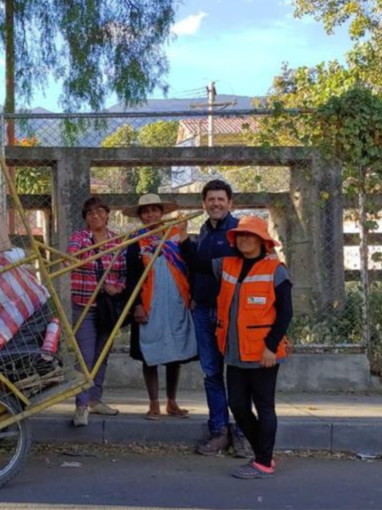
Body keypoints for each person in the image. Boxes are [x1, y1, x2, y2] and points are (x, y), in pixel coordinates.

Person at [212, 216, 293, 479]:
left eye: (250, 235)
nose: (245, 239)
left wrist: (271, 347)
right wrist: (180, 238)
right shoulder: (228, 265)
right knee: (237, 405)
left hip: (263, 354)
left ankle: (263, 461)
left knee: (264, 406)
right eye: (241, 235)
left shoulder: (275, 270)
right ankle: (264, 453)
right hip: (234, 352)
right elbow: (197, 264)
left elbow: (285, 314)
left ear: (262, 241)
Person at [180, 179, 252, 457]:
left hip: (231, 313)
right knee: (211, 373)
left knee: (237, 373)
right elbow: (197, 269)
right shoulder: (204, 232)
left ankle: (243, 433)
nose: (216, 204)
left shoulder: (239, 231)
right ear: (204, 204)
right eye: (211, 199)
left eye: (221, 199)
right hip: (203, 311)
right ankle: (219, 430)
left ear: (230, 203)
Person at [124, 194, 197, 421]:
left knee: (174, 354)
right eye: (145, 212)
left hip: (176, 301)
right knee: (150, 353)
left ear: (161, 212)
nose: (150, 215)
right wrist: (136, 304)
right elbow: (132, 276)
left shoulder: (176, 235)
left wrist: (193, 295)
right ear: (140, 216)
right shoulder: (136, 240)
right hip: (149, 303)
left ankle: (172, 402)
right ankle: (153, 403)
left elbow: (191, 264)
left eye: (154, 210)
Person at [67, 196, 126, 427]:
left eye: (100, 211)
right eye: (90, 213)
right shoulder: (80, 238)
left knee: (102, 355)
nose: (96, 216)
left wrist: (118, 286)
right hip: (84, 304)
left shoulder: (117, 241)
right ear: (86, 218)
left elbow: (123, 272)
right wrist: (85, 254)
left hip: (107, 307)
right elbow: (71, 257)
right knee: (85, 357)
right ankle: (81, 405)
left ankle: (95, 399)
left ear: (107, 214)